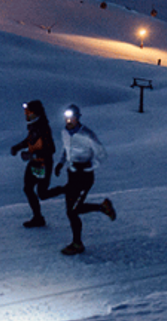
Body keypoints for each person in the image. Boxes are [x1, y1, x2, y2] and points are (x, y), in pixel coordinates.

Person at [41, 104, 116, 255]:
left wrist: (90, 166)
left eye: (72, 117)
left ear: (77, 118)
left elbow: (101, 153)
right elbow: (66, 149)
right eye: (66, 117)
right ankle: (103, 207)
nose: (68, 120)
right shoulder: (65, 132)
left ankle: (78, 244)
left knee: (73, 211)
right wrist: (61, 164)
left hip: (85, 177)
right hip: (72, 174)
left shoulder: (87, 134)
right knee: (72, 209)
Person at [9, 100, 56, 228]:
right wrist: (18, 147)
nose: (28, 116)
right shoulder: (34, 126)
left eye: (30, 113)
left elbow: (50, 149)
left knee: (42, 193)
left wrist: (32, 155)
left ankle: (67, 189)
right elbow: (30, 140)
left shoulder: (43, 128)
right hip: (36, 163)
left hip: (42, 164)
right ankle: (38, 217)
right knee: (29, 188)